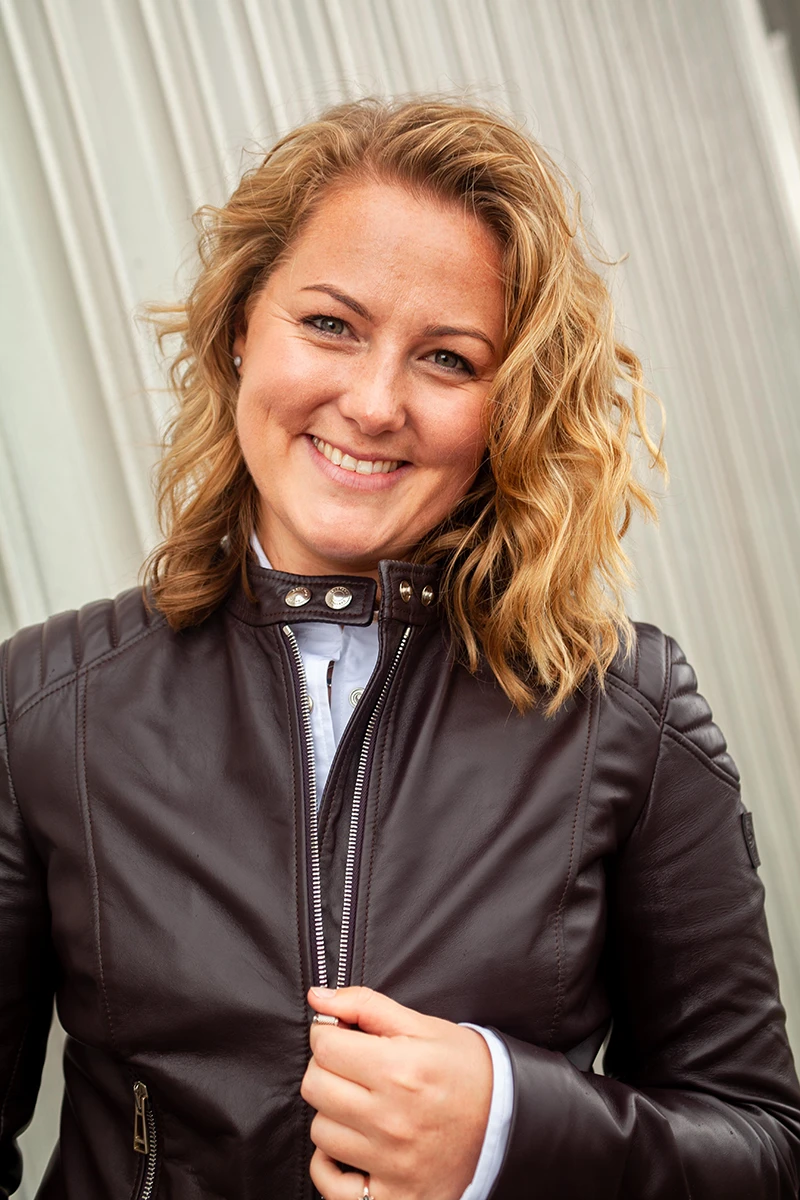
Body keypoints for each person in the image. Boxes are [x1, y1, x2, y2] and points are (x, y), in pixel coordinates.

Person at [1, 95, 799, 1200]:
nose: (374, 404)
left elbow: (762, 1147)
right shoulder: (48, 706)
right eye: (331, 325)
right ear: (240, 329)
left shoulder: (626, 712)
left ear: (508, 403)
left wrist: (511, 1129)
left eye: (448, 359)